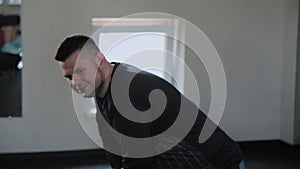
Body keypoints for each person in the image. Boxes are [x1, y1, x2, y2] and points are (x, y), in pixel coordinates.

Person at [55, 34, 245, 169]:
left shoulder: (127, 91)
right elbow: (112, 144)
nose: (75, 83)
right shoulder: (103, 87)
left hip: (217, 162)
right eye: (69, 77)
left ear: (100, 60)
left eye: (80, 71)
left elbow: (140, 162)